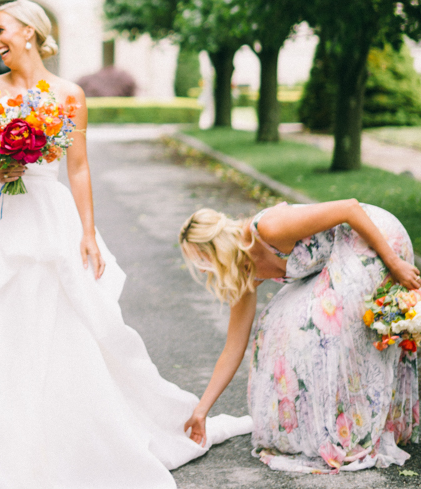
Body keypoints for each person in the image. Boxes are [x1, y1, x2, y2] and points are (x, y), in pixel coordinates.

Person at [0, 0, 251, 489]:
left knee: (58, 323)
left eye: (2, 30)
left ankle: (63, 442)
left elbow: (80, 167)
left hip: (48, 216)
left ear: (29, 32)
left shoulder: (69, 94)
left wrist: (88, 232)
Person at [179, 200, 421, 473]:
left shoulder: (268, 228)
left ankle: (353, 428)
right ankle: (328, 426)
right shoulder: (246, 271)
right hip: (334, 259)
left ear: (216, 247)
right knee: (275, 327)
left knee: (324, 323)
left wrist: (394, 262)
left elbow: (350, 209)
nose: (201, 270)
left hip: (372, 235)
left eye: (201, 260)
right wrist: (202, 411)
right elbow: (233, 348)